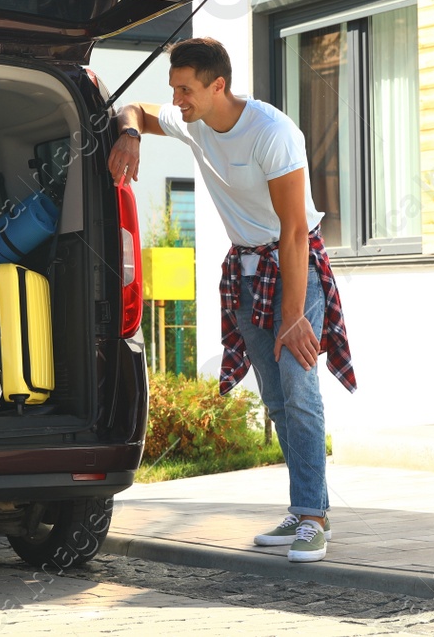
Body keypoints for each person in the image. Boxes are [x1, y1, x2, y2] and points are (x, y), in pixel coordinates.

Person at [107, 37, 354, 563]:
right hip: (244, 272)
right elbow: (135, 109)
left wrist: (293, 317)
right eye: (174, 88)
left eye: (186, 89)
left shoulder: (271, 132)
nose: (177, 99)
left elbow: (292, 231)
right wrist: (129, 133)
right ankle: (302, 508)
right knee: (277, 400)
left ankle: (313, 519)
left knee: (300, 388)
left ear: (218, 86)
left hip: (292, 269)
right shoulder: (191, 119)